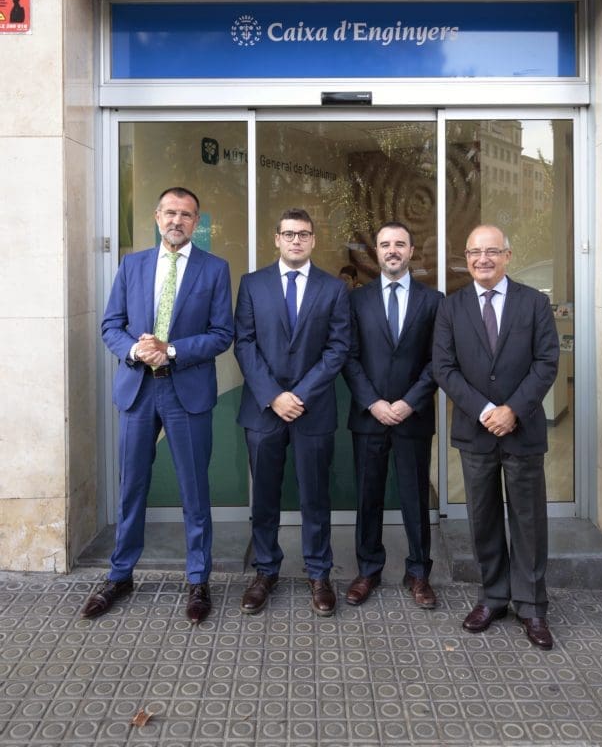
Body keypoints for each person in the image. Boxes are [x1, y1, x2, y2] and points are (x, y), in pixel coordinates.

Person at [82, 187, 234, 624]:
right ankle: (119, 574)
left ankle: (198, 579)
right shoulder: (132, 265)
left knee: (193, 491)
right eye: (170, 212)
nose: (177, 221)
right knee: (132, 487)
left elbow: (222, 334)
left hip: (185, 388)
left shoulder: (214, 270)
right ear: (156, 216)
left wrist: (169, 350)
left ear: (196, 221)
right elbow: (111, 324)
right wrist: (136, 350)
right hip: (138, 390)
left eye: (187, 214)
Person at [432, 224, 559, 649]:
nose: (482, 259)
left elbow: (546, 362)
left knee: (528, 520)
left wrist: (512, 410)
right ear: (465, 258)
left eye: (491, 251)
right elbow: (444, 369)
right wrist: (487, 411)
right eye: (474, 253)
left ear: (507, 255)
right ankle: (493, 596)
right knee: (483, 518)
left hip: (522, 430)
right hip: (475, 431)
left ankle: (531, 605)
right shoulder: (450, 308)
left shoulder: (534, 303)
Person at [234, 208, 350, 617]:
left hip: (313, 410)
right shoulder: (252, 285)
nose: (296, 240)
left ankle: (319, 573)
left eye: (303, 234)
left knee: (315, 497)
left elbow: (338, 348)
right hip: (264, 412)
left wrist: (298, 394)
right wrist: (273, 395)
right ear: (276, 238)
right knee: (264, 497)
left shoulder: (333, 289)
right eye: (289, 234)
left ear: (314, 240)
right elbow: (244, 343)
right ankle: (265, 571)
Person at [343, 222, 443, 608]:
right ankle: (368, 570)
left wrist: (408, 402)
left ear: (412, 251)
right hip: (369, 416)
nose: (392, 250)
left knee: (415, 497)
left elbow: (439, 360)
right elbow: (348, 357)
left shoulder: (433, 301)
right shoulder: (356, 300)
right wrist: (373, 402)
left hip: (412, 417)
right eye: (385, 244)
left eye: (400, 244)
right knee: (368, 496)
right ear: (376, 252)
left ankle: (419, 573)